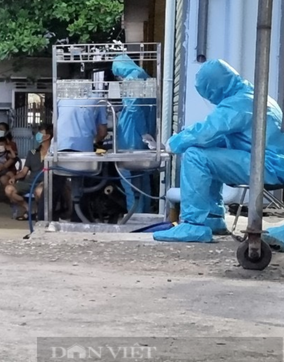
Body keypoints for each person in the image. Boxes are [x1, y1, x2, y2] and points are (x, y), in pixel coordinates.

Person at [153, 59, 284, 243]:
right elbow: (223, 136)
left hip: (267, 166)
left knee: (195, 156)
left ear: (214, 88)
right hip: (271, 162)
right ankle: (212, 218)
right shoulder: (254, 96)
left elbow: (208, 130)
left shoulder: (239, 103)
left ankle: (193, 225)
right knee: (209, 151)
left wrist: (174, 142)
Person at [112, 55, 156, 213]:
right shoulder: (145, 77)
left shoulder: (131, 79)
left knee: (130, 183)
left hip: (131, 137)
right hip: (144, 138)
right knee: (143, 183)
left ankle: (135, 220)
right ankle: (145, 219)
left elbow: (133, 108)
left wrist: (143, 132)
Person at [5, 124, 53, 221]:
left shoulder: (53, 153)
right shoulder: (32, 152)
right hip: (30, 182)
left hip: (45, 183)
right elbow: (23, 172)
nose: (38, 135)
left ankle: (38, 212)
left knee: (39, 192)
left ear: (47, 136)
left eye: (41, 133)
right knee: (9, 189)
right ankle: (28, 209)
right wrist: (15, 177)